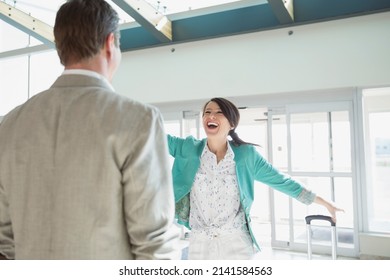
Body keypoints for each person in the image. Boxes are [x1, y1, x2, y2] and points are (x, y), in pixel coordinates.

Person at [0, 0, 179, 260]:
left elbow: (4, 241)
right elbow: (154, 244)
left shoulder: (10, 125)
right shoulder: (139, 120)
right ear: (110, 44)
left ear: (61, 48)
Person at [167, 97, 343, 260]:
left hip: (235, 243)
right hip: (199, 243)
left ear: (232, 123)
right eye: (207, 112)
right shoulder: (188, 148)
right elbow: (153, 137)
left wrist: (325, 203)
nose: (211, 115)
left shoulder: (246, 156)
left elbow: (282, 181)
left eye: (219, 112)